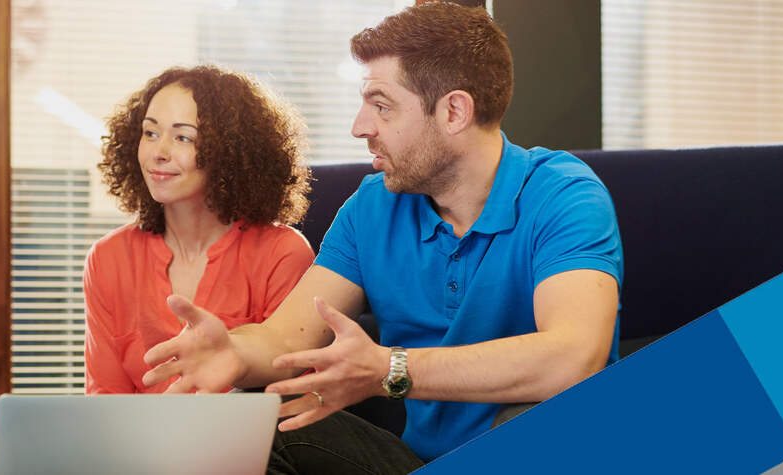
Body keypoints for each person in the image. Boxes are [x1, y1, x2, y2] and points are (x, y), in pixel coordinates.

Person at [140, 3, 624, 473]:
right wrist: (234, 352)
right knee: (257, 419)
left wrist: (387, 369)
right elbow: (284, 337)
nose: (359, 127)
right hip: (410, 462)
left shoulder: (564, 195)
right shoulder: (374, 205)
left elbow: (573, 357)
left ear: (454, 111)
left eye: (381, 105)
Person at [86, 65, 315, 394]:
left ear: (229, 153)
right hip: (141, 445)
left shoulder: (283, 253)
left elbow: (297, 389)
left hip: (251, 444)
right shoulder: (108, 258)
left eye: (183, 137)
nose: (158, 153)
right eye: (150, 133)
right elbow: (105, 402)